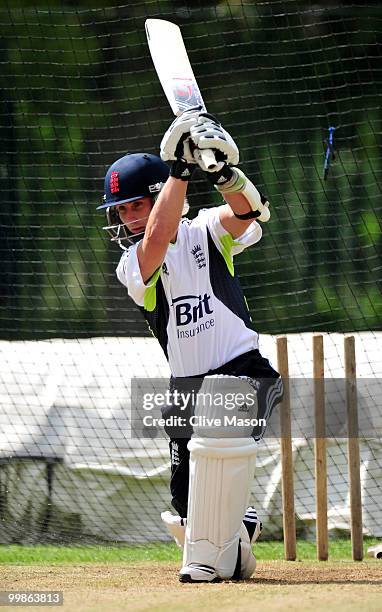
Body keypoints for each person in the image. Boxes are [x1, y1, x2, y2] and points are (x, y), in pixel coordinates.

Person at [98, 108, 283, 582]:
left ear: (163, 197)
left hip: (244, 369)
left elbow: (247, 212)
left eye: (137, 204)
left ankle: (222, 543)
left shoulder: (206, 228)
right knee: (185, 513)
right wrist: (181, 168)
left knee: (218, 426)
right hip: (186, 389)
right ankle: (237, 537)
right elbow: (159, 239)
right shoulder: (133, 265)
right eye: (122, 209)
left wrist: (223, 174)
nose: (128, 217)